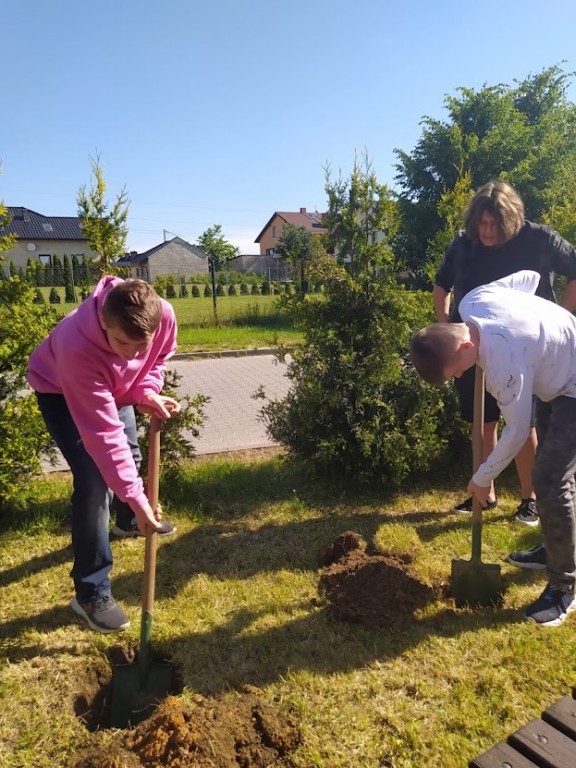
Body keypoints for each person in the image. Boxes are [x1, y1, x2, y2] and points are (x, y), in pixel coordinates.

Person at [411, 270, 576, 627]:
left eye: (453, 371)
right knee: (557, 471)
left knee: (548, 479)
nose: (456, 378)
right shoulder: (472, 301)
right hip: (552, 367)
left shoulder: (505, 366)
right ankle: (558, 545)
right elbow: (530, 279)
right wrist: (539, 330)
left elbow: (516, 432)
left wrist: (483, 478)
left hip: (572, 382)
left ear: (466, 347)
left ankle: (564, 585)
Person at [28, 276, 181, 633]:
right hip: (62, 392)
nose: (132, 355)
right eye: (123, 343)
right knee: (96, 481)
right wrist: (141, 499)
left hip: (113, 389)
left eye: (139, 346)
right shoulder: (75, 344)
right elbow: (104, 437)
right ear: (102, 323)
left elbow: (157, 358)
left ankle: (128, 520)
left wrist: (145, 389)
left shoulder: (164, 316)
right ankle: (90, 591)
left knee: (131, 456)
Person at [434, 180, 576, 528]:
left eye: (494, 225)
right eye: (481, 223)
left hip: (528, 352)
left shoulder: (538, 239)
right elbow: (441, 286)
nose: (486, 231)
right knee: (481, 421)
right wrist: (447, 334)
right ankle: (486, 491)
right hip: (468, 348)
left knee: (522, 422)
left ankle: (529, 499)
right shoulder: (464, 244)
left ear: (510, 220)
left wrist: (564, 318)